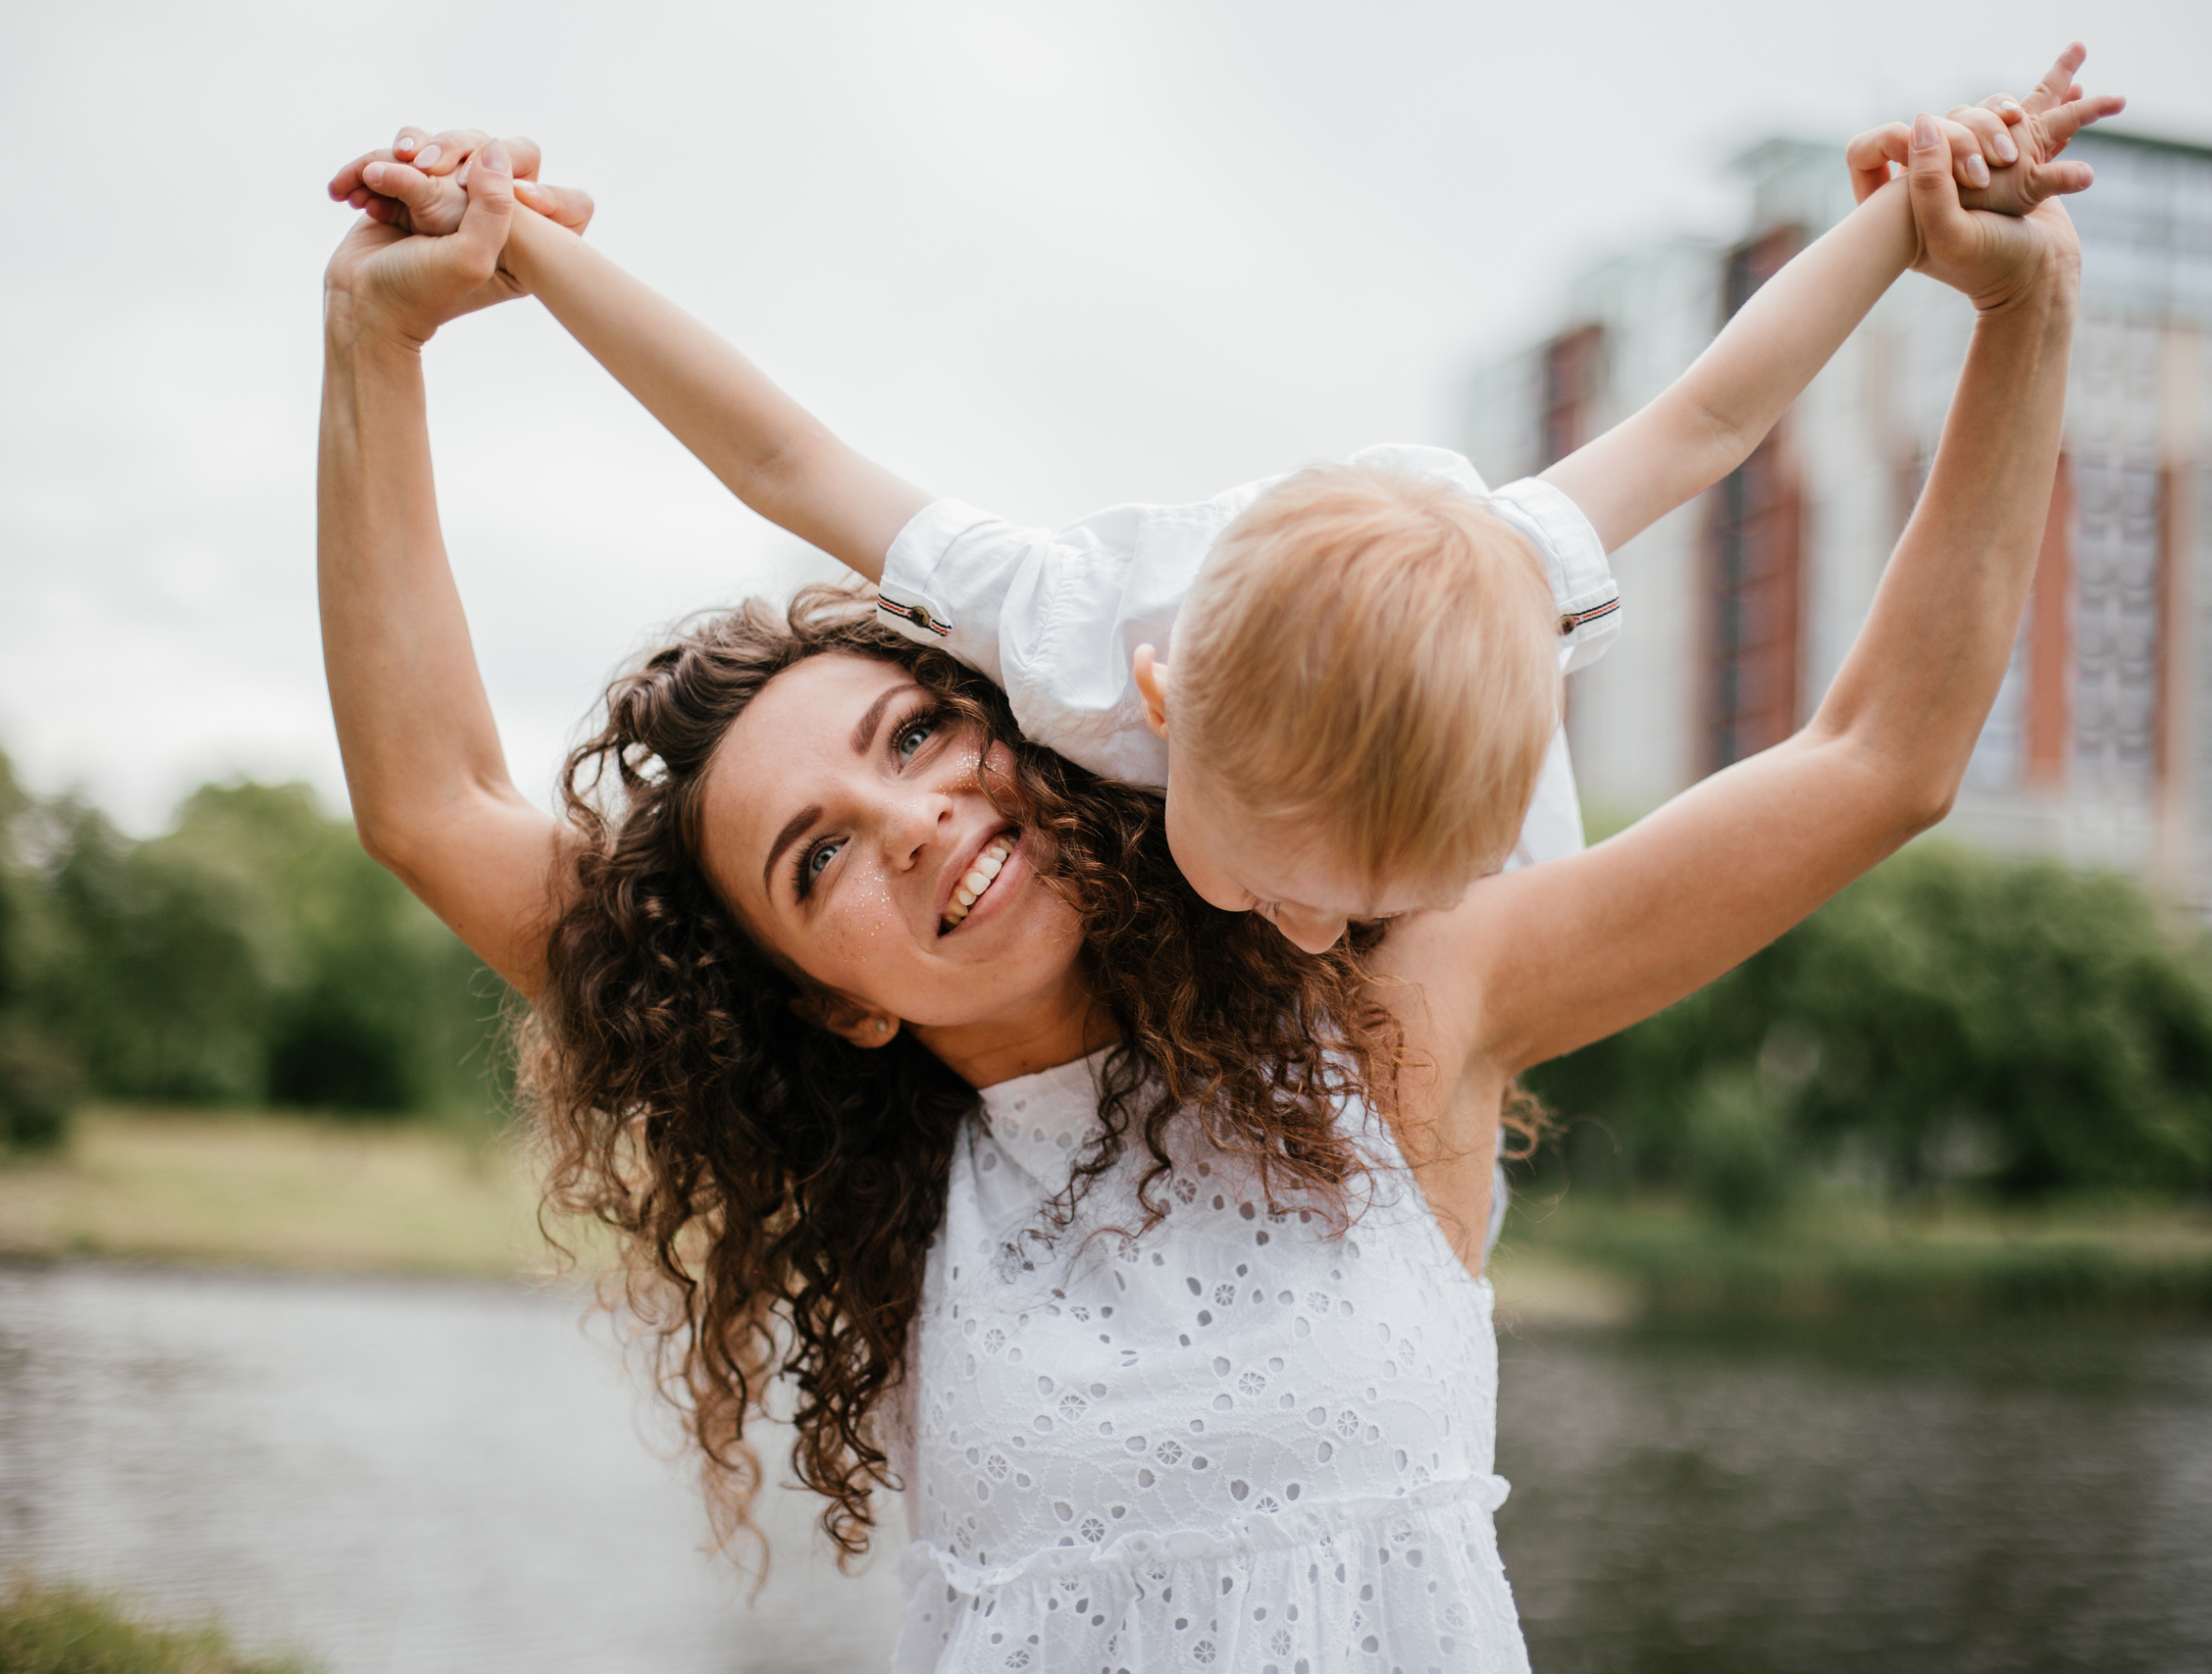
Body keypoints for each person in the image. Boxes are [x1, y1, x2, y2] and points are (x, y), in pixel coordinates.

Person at [317, 53, 2094, 1672]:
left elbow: (1878, 760)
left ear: (1036, 725)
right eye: (817, 861)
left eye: (917, 737)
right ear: (825, 1004)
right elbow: (433, 802)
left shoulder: (1399, 1013)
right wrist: (375, 341)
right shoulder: (913, 1191)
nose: (920, 819)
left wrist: (2024, 313)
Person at [330, 59, 2117, 954]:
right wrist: (536, 261)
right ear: (1160, 703)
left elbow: (1717, 412)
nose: (1316, 937)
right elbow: (789, 460)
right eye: (1287, 883)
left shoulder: (1484, 594)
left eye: (1363, 907)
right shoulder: (1061, 631)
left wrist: (1931, 222)